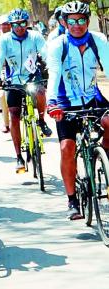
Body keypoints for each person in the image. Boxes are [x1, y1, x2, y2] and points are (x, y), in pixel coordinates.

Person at [46, 1, 109, 220]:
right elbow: (53, 75)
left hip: (93, 97)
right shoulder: (58, 45)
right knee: (67, 148)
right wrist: (52, 102)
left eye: (82, 20)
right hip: (64, 102)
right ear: (64, 22)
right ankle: (72, 199)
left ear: (88, 21)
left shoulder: (97, 40)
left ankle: (105, 157)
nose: (77, 25)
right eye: (71, 21)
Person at [0, 8, 52, 172]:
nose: (19, 27)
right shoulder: (4, 40)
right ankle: (18, 155)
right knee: (14, 115)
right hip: (14, 81)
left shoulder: (35, 36)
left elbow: (45, 52)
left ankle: (41, 120)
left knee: (40, 91)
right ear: (11, 25)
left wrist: (52, 66)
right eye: (15, 24)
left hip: (33, 77)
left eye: (22, 23)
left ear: (27, 23)